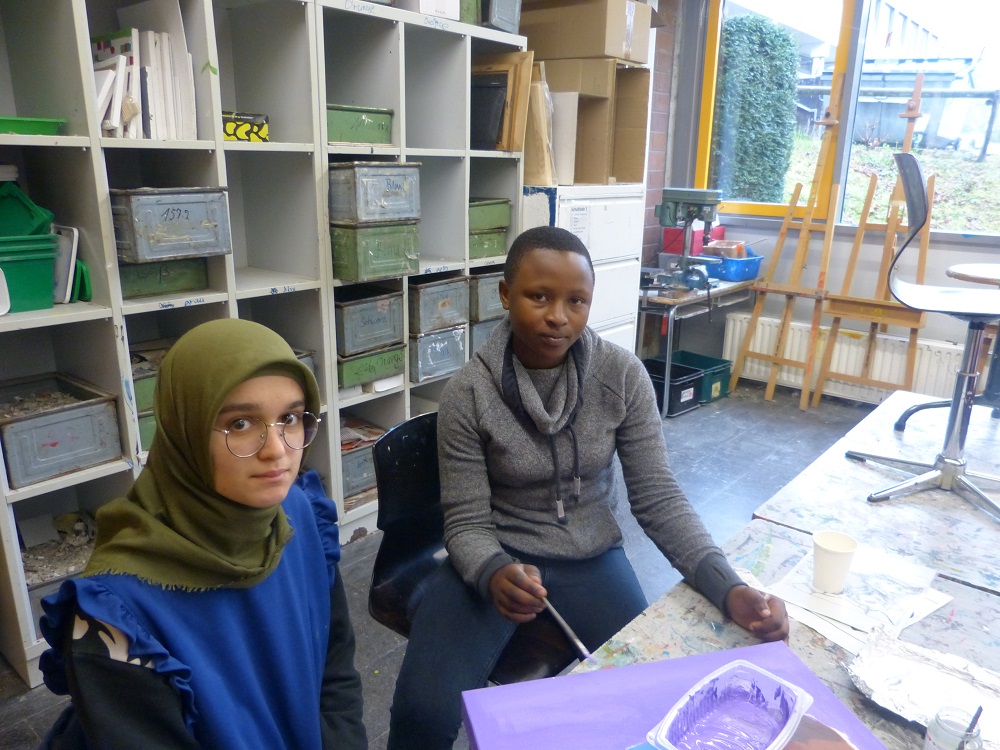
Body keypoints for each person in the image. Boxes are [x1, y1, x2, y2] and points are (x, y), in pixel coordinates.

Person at [387, 226, 789, 749]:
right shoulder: (469, 393)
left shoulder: (621, 376)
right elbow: (465, 522)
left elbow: (658, 495)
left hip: (592, 558)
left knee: (649, 702)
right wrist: (491, 571)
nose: (558, 316)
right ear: (505, 295)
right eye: (539, 296)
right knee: (422, 710)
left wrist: (728, 586)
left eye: (576, 301)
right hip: (497, 556)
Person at [37, 318, 367, 750]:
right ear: (185, 430)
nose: (277, 450)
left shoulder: (298, 515)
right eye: (240, 424)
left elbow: (334, 665)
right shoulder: (116, 613)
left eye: (289, 418)